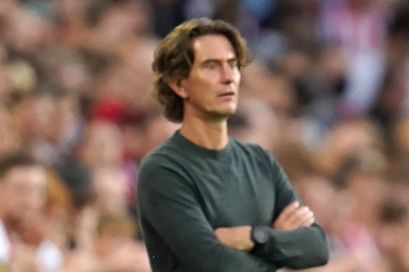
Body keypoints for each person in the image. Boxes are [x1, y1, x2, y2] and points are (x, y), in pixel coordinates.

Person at [136, 18, 329, 271]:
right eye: (211, 67)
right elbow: (215, 264)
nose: (228, 78)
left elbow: (316, 247)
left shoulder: (259, 160)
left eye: (233, 65)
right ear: (179, 84)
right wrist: (280, 247)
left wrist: (254, 237)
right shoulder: (163, 170)